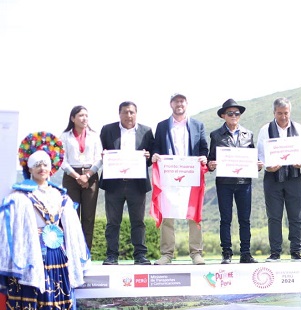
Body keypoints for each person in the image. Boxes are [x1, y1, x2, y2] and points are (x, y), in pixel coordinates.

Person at [0, 134, 89, 310]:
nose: (42, 168)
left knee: (55, 295)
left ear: (51, 169)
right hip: (35, 253)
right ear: (29, 168)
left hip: (57, 253)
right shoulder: (20, 195)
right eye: (37, 165)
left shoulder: (60, 194)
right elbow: (12, 227)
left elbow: (70, 226)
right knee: (41, 295)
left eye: (45, 165)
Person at [152, 93, 208, 265]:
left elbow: (204, 148)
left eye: (182, 101)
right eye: (176, 101)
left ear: (186, 103)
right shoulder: (162, 126)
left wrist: (204, 158)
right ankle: (167, 254)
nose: (179, 104)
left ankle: (196, 253)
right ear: (171, 104)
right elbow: (156, 147)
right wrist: (154, 155)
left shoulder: (198, 125)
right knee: (167, 215)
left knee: (194, 214)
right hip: (169, 175)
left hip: (190, 175)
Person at [99, 101, 154, 265]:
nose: (129, 116)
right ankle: (111, 256)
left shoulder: (147, 131)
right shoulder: (107, 130)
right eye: (125, 112)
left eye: (131, 112)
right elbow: (100, 151)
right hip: (114, 183)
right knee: (112, 222)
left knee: (138, 221)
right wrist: (103, 154)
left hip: (136, 184)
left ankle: (140, 256)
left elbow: (151, 158)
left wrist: (148, 157)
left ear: (136, 113)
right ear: (119, 114)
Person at [208, 99, 262, 264]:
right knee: (226, 219)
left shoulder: (248, 134)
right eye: (230, 113)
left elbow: (253, 159)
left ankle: (245, 253)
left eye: (236, 113)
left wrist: (258, 165)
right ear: (223, 116)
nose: (234, 116)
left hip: (244, 182)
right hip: (224, 182)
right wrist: (211, 165)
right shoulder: (215, 135)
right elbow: (211, 161)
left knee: (244, 219)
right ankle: (227, 253)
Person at [257, 97, 301, 262]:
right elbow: (260, 153)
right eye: (280, 113)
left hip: (293, 177)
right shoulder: (265, 130)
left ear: (290, 112)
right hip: (272, 178)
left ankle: (296, 251)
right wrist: (267, 166)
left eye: (286, 113)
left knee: (295, 216)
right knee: (274, 216)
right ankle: (275, 252)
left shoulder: (299, 129)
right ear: (274, 113)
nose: (283, 117)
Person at [60, 105, 103, 251]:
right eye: (80, 115)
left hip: (91, 175)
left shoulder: (94, 135)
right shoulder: (65, 136)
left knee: (88, 217)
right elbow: (62, 160)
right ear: (73, 118)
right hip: (71, 176)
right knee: (71, 215)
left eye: (86, 115)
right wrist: (78, 176)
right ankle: (71, 251)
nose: (84, 118)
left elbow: (99, 158)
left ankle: (86, 252)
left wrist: (88, 175)